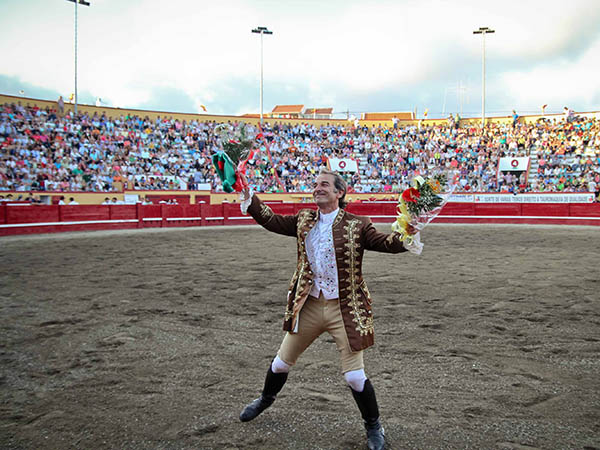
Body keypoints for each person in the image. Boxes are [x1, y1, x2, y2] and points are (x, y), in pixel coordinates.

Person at [238, 168, 420, 450]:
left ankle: (374, 426)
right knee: (281, 363)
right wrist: (248, 196)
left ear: (339, 192)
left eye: (324, 184)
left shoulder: (357, 224)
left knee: (355, 377)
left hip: (344, 308)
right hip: (309, 304)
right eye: (315, 184)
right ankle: (265, 399)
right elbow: (271, 220)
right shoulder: (304, 219)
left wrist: (410, 229)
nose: (318, 188)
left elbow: (387, 243)